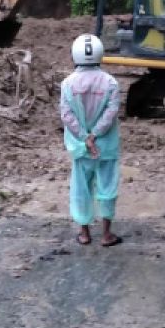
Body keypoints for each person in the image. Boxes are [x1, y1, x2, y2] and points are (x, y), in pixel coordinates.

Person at [59, 34, 123, 247]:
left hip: (80, 147)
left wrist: (85, 138)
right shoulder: (111, 83)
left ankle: (84, 233)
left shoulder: (68, 84)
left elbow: (67, 116)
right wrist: (95, 135)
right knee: (107, 186)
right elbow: (111, 113)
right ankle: (106, 234)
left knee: (80, 187)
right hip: (105, 146)